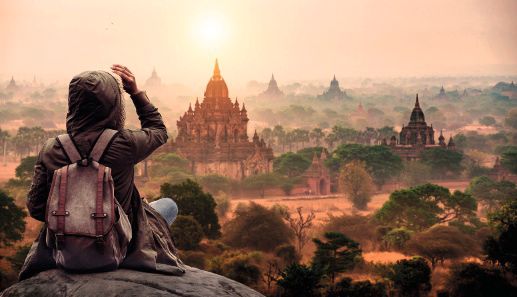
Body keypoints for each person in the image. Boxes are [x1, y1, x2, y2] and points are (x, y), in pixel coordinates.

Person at [19, 65, 185, 280]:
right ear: (114, 104)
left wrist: (73, 217)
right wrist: (135, 93)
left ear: (73, 104)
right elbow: (159, 131)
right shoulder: (125, 143)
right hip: (122, 246)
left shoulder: (52, 148)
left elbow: (36, 207)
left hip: (65, 250)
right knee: (168, 205)